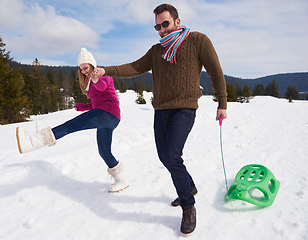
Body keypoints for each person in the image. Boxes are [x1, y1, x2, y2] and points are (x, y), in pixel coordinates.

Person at [93, 3, 227, 235]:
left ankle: (188, 206)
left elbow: (215, 71)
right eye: (157, 26)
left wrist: (222, 103)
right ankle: (190, 187)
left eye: (165, 24)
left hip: (184, 109)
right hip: (161, 110)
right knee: (164, 157)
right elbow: (134, 67)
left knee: (172, 155)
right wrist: (106, 70)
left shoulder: (197, 40)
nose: (162, 30)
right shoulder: (157, 51)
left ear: (176, 21)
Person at [16, 48, 129, 193]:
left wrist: (95, 80)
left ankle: (33, 142)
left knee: (70, 126)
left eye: (86, 67)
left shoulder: (103, 76)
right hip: (107, 117)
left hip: (107, 114)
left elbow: (102, 87)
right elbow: (97, 103)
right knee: (104, 151)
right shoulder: (89, 81)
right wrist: (82, 107)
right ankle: (121, 179)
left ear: (93, 65)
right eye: (81, 69)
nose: (83, 71)